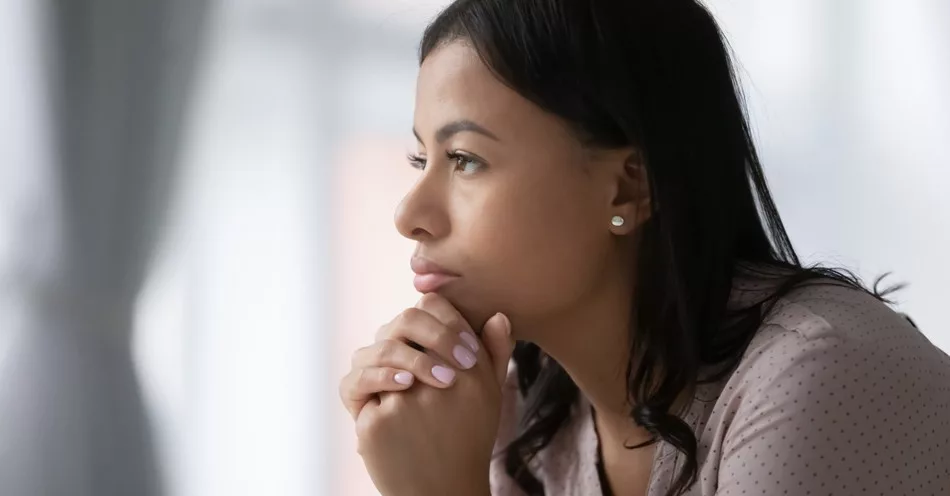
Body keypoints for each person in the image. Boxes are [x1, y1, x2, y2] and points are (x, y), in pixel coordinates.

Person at [338, 0, 950, 495]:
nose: (407, 216)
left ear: (630, 186)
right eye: (421, 159)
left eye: (465, 160)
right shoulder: (512, 413)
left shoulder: (820, 381)